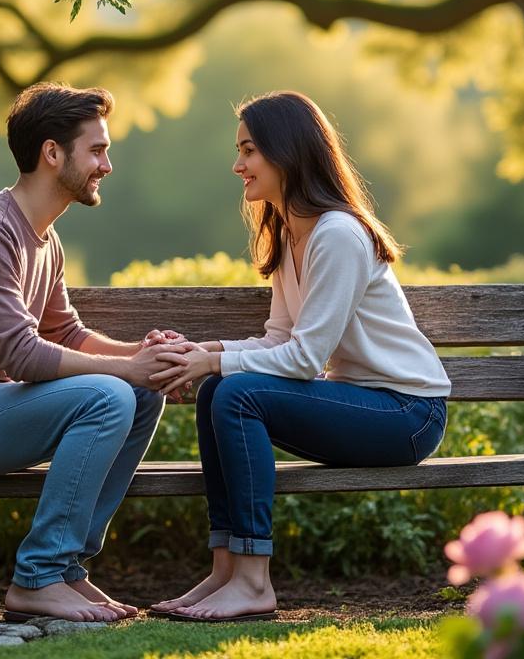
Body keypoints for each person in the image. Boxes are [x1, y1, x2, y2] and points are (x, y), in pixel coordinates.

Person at [0, 82, 190, 623]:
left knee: (142, 395)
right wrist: (127, 369)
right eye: (97, 150)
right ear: (53, 153)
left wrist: (143, 355)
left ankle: (66, 568)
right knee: (111, 396)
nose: (107, 165)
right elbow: (23, 356)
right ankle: (38, 577)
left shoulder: (45, 238)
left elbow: (65, 333)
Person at [149, 91, 452, 622]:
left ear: (286, 152)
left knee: (234, 392)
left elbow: (306, 359)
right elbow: (279, 341)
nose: (238, 165)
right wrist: (206, 353)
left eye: (249, 150)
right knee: (219, 390)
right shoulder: (291, 234)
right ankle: (226, 570)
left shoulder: (338, 235)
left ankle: (253, 583)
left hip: (408, 413)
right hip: (363, 402)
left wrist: (215, 362)